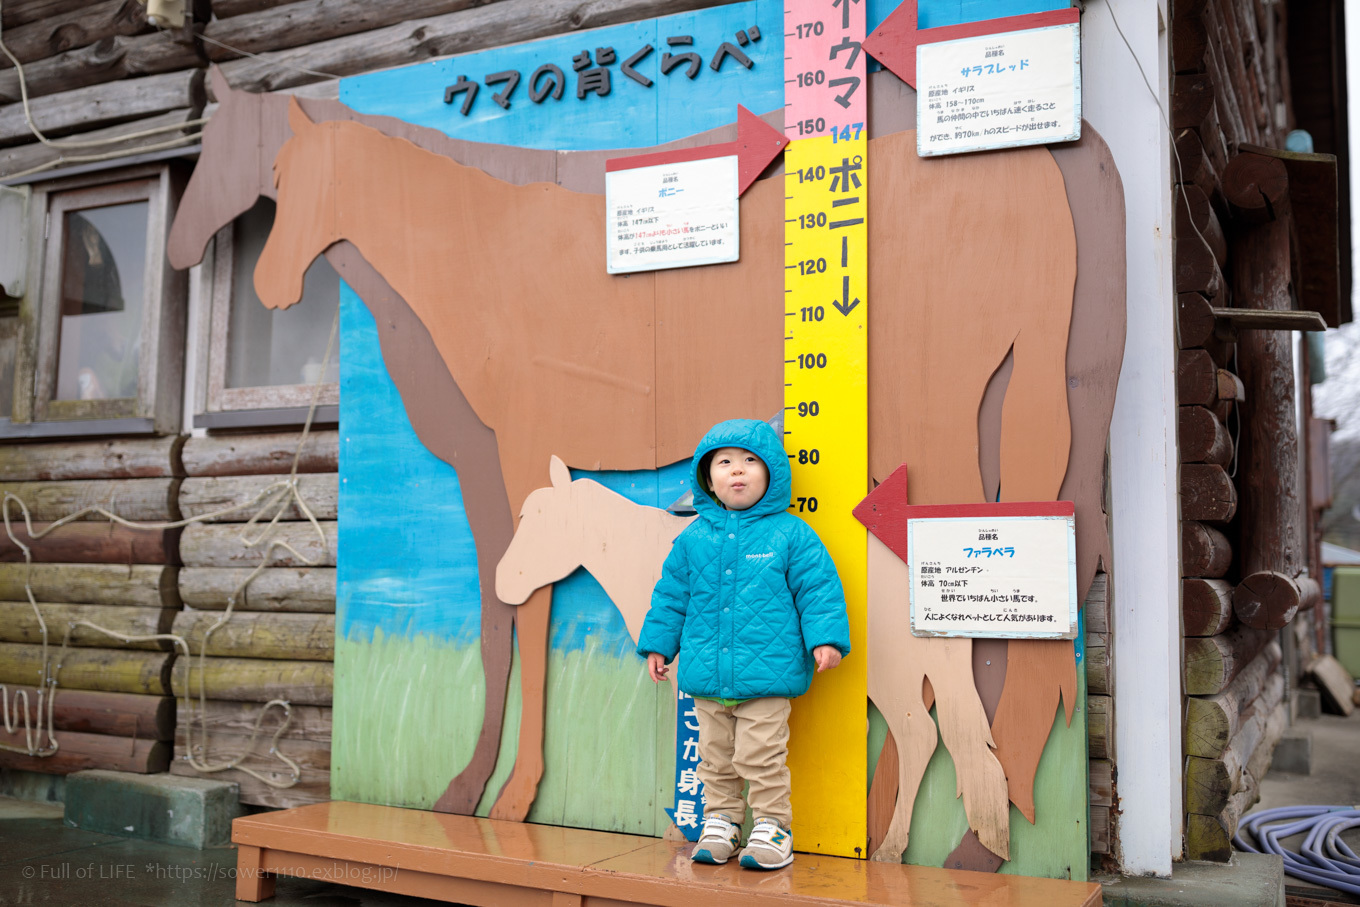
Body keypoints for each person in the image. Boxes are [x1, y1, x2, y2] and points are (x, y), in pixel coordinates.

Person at [637, 418, 850, 871]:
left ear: (772, 474)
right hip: (707, 676)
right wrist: (659, 646)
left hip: (767, 676)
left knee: (761, 757)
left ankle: (773, 827)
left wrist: (826, 639)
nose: (738, 470)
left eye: (751, 461)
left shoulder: (791, 535)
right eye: (725, 463)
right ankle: (722, 822)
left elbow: (818, 589)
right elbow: (671, 596)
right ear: (707, 478)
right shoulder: (693, 538)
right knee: (714, 759)